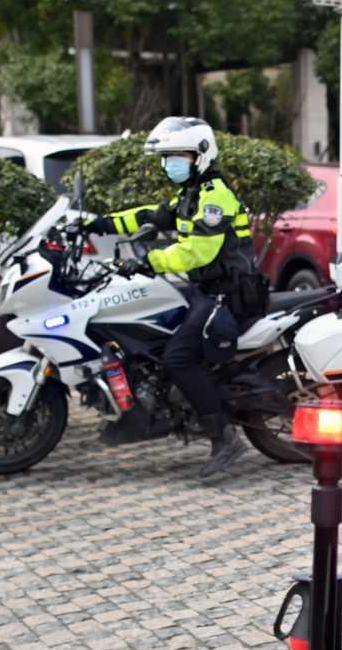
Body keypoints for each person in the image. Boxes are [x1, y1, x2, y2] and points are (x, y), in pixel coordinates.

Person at [88, 116, 259, 477]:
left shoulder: (216, 197)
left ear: (200, 154)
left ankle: (225, 438)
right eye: (165, 157)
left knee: (178, 358)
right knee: (158, 334)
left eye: (176, 155)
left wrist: (146, 262)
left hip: (228, 294)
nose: (169, 164)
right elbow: (150, 215)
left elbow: (196, 253)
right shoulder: (190, 194)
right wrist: (96, 223)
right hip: (205, 290)